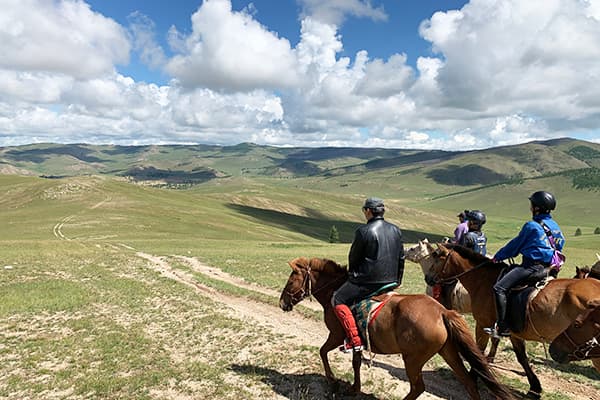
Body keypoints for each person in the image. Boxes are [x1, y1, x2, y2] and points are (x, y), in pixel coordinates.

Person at [484, 191, 565, 339]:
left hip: (531, 267)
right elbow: (560, 245)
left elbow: (515, 245)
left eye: (531, 205)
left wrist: (498, 257)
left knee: (499, 288)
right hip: (549, 269)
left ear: (536, 208)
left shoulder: (531, 226)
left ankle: (503, 326)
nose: (530, 208)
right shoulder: (555, 226)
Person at [332, 197, 405, 352]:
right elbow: (401, 257)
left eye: (364, 210)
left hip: (368, 282)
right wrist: (398, 279)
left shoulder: (363, 231)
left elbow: (354, 257)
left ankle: (354, 340)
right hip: (391, 280)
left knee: (338, 299)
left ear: (369, 211)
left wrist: (353, 275)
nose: (364, 213)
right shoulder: (396, 229)